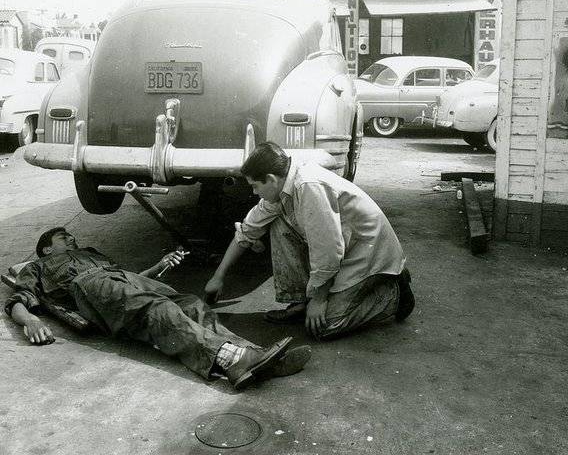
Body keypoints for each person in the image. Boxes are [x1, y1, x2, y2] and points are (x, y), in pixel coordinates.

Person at [5, 227, 311, 390]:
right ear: (46, 248)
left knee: (190, 304)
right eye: (63, 238)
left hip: (126, 282)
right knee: (158, 312)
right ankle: (233, 359)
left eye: (70, 236)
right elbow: (17, 298)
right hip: (91, 287)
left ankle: (255, 356)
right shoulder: (39, 266)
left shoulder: (90, 252)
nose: (71, 238)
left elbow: (127, 280)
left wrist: (159, 265)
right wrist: (29, 319)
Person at [205, 142, 414, 339]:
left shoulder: (308, 186)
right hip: (346, 247)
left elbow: (328, 250)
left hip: (370, 253)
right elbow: (248, 231)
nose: (254, 192)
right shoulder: (282, 185)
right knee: (277, 222)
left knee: (325, 325)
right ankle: (299, 302)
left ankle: (393, 293)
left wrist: (320, 298)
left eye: (255, 185)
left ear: (271, 178)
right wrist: (218, 276)